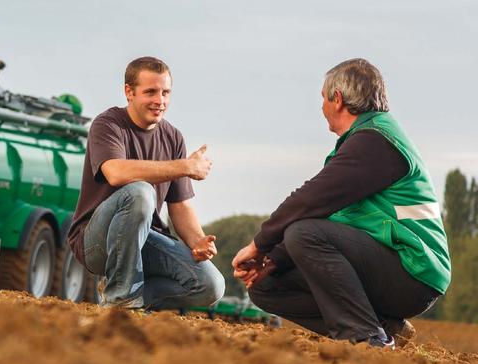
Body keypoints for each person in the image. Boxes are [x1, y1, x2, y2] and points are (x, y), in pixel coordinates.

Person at [232, 59, 450, 348]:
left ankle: (367, 338)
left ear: (337, 99)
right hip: (390, 263)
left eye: (322, 98)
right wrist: (272, 261)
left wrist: (259, 245)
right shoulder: (364, 141)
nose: (321, 107)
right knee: (265, 287)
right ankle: (387, 328)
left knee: (304, 233)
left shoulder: (377, 141)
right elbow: (334, 215)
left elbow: (311, 199)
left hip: (414, 272)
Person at [65, 57, 225, 310]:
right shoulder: (108, 124)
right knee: (140, 192)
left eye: (165, 92)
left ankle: (124, 298)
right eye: (150, 92)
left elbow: (180, 206)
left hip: (145, 238)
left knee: (210, 285)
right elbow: (115, 172)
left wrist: (197, 241)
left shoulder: (172, 137)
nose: (159, 101)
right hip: (97, 241)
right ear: (129, 92)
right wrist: (184, 166)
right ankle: (122, 299)